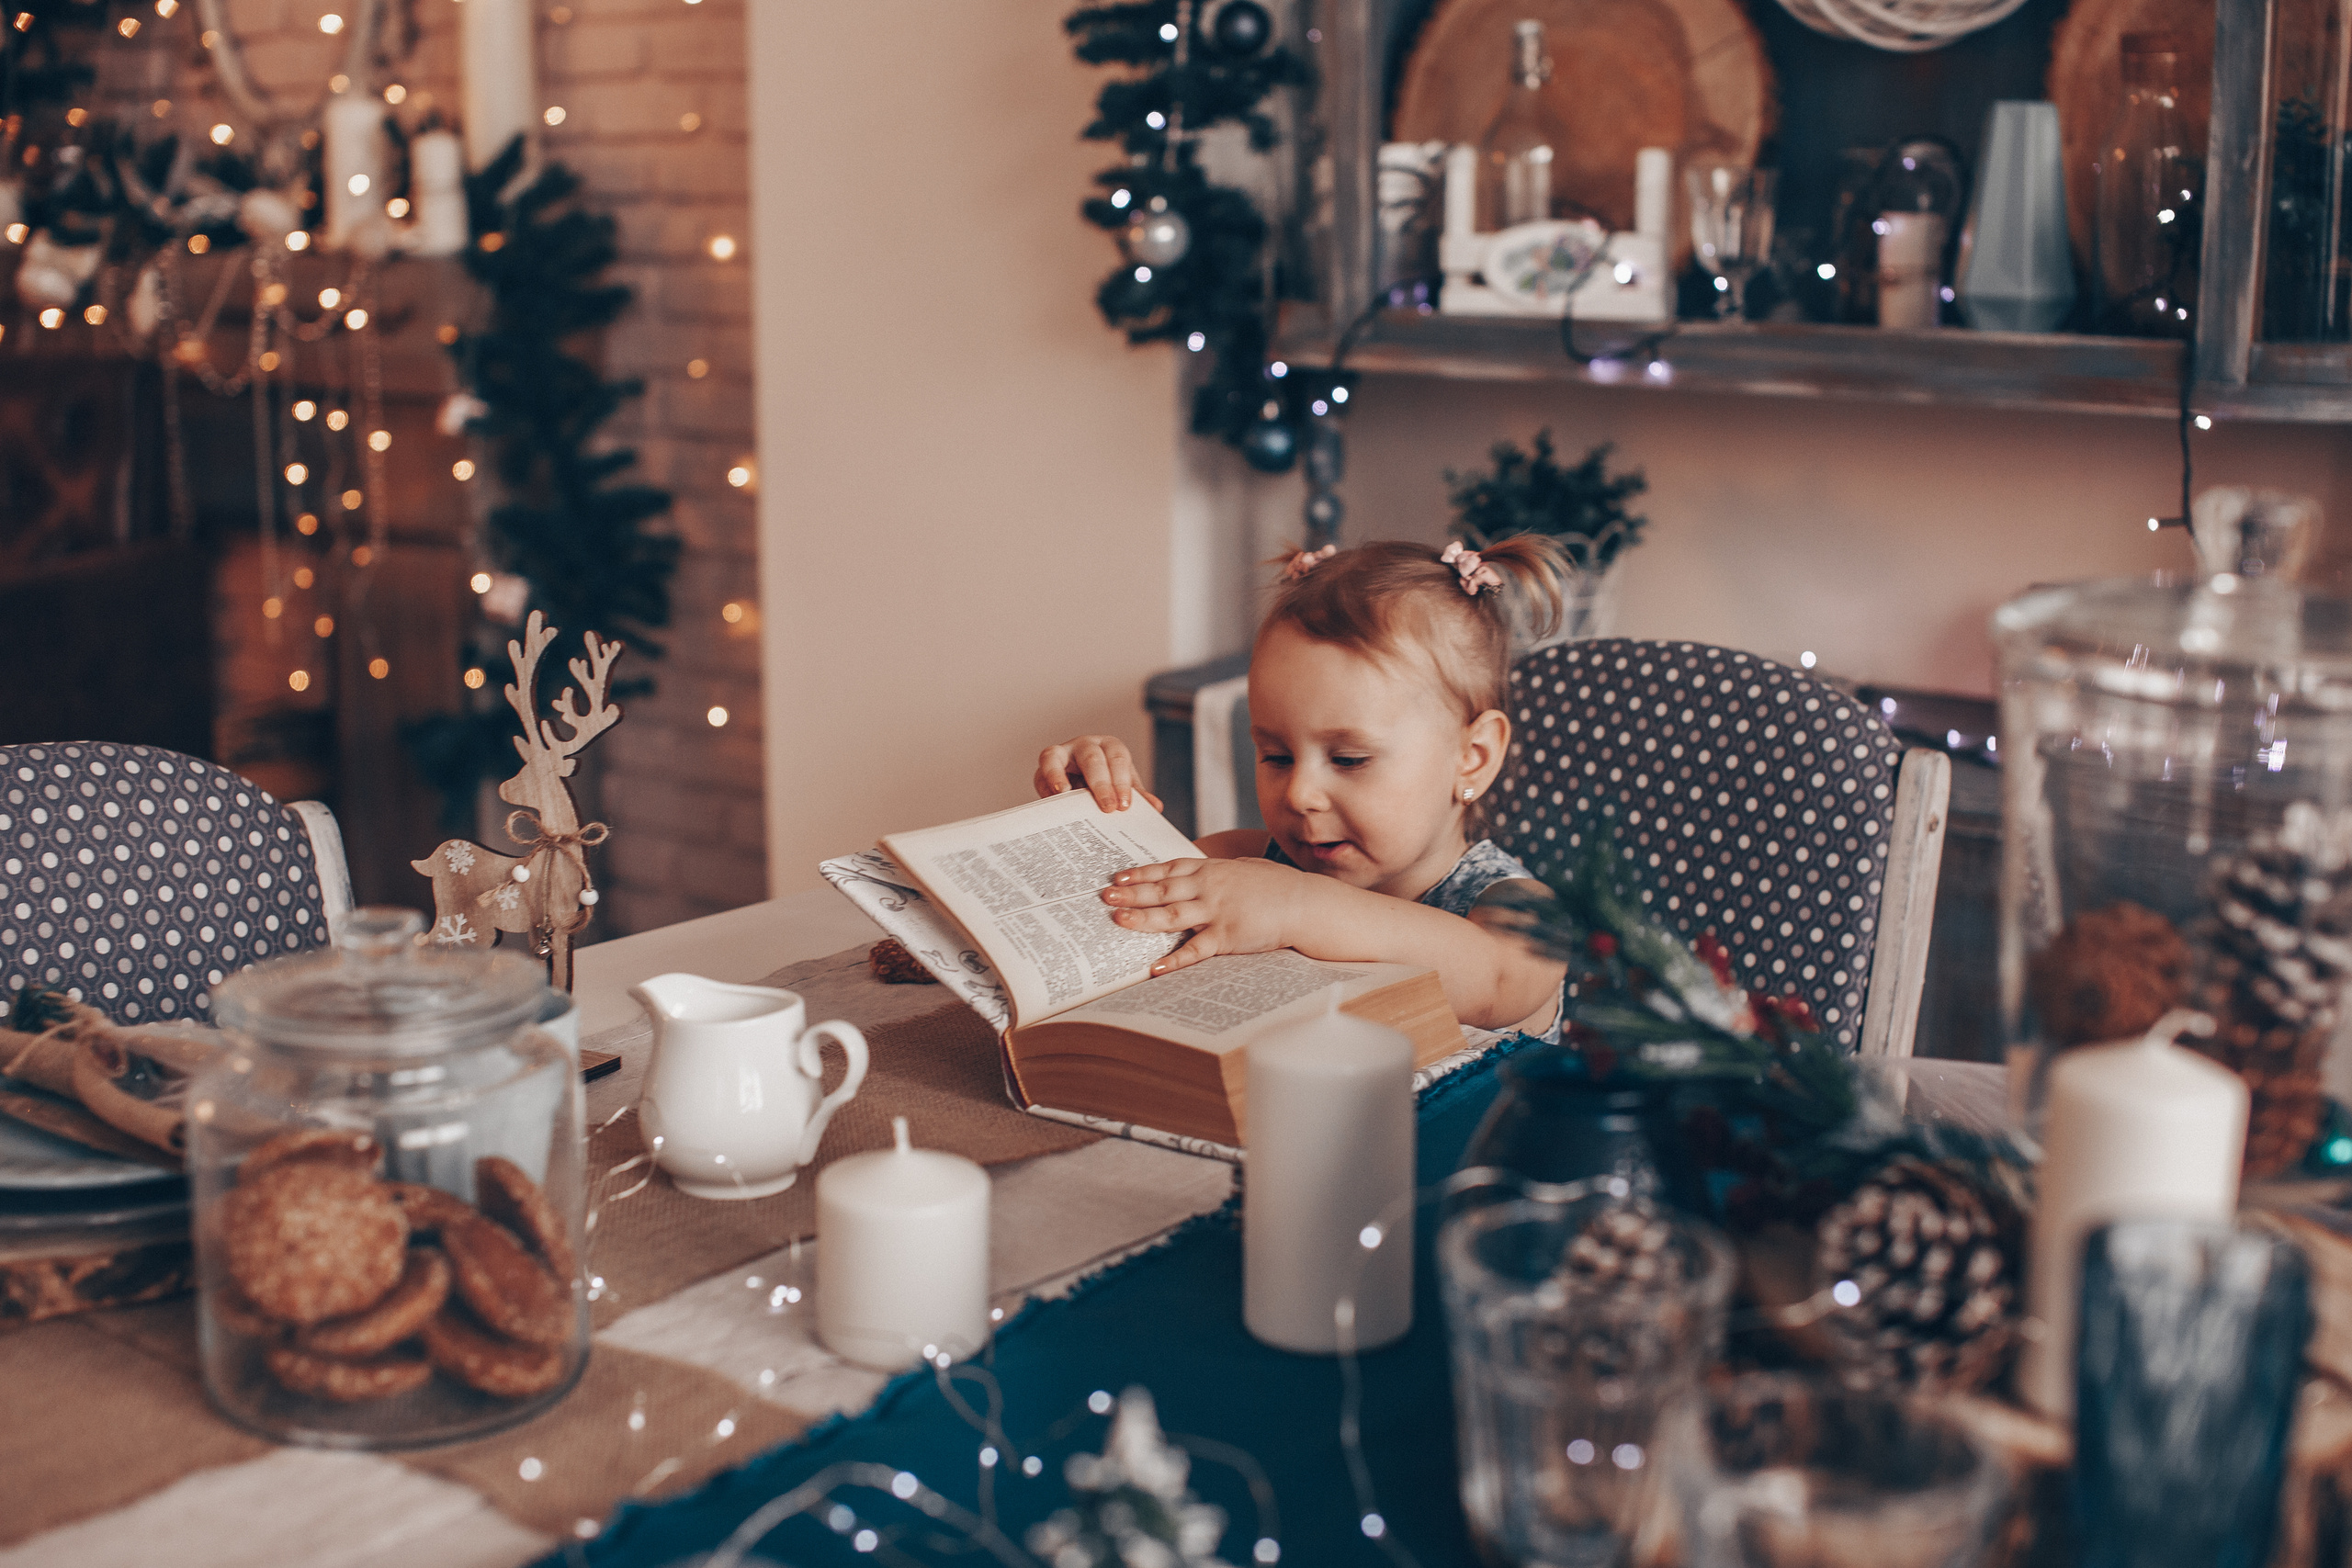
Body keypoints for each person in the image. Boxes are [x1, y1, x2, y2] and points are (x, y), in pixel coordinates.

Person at [1034, 537, 1572, 1038]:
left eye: (1349, 759)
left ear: (1472, 759)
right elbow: (1112, 919)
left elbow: (1497, 984)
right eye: (1276, 756)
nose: (1299, 795)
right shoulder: (1243, 863)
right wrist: (1095, 817)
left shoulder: (1515, 910)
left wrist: (1295, 906)